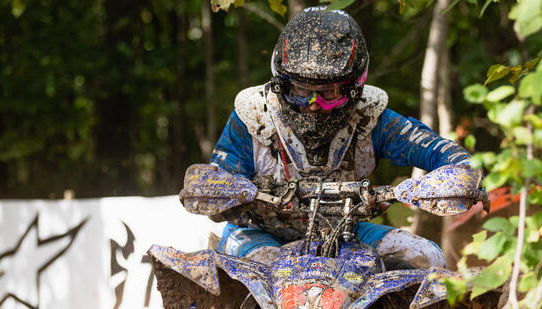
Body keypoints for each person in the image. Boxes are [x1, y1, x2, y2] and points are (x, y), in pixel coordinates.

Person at [200, 7, 479, 269]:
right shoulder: (255, 115)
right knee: (269, 266)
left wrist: (460, 170)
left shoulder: (370, 116)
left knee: (426, 256)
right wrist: (219, 188)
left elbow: (438, 150)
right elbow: (217, 179)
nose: (311, 103)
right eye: (299, 89)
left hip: (348, 232)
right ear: (281, 83)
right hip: (260, 233)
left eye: (327, 92)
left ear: (354, 89)